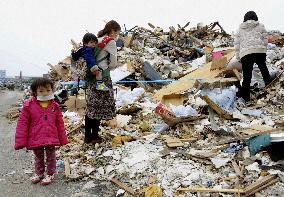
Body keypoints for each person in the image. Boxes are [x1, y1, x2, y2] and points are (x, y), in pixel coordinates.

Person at [14, 78, 68, 185]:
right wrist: (20, 141)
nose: (45, 93)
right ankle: (39, 173)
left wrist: (63, 139)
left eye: (48, 90)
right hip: (36, 137)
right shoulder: (28, 106)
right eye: (41, 91)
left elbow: (60, 124)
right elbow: (22, 124)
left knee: (51, 156)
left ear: (52, 90)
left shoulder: (55, 106)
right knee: (38, 156)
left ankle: (50, 173)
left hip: (50, 136)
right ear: (35, 92)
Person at [84, 20, 121, 144]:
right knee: (99, 106)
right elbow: (114, 63)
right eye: (117, 32)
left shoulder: (97, 39)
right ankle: (94, 135)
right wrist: (106, 69)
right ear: (112, 30)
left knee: (91, 105)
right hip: (102, 78)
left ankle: (87, 136)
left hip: (91, 77)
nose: (117, 35)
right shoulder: (110, 42)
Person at [234, 11, 272, 102]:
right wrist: (263, 48)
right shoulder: (260, 26)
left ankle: (246, 98)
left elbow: (237, 44)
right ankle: (271, 89)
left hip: (246, 53)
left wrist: (238, 57)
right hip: (259, 51)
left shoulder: (240, 28)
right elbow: (265, 39)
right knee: (264, 70)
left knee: (247, 76)